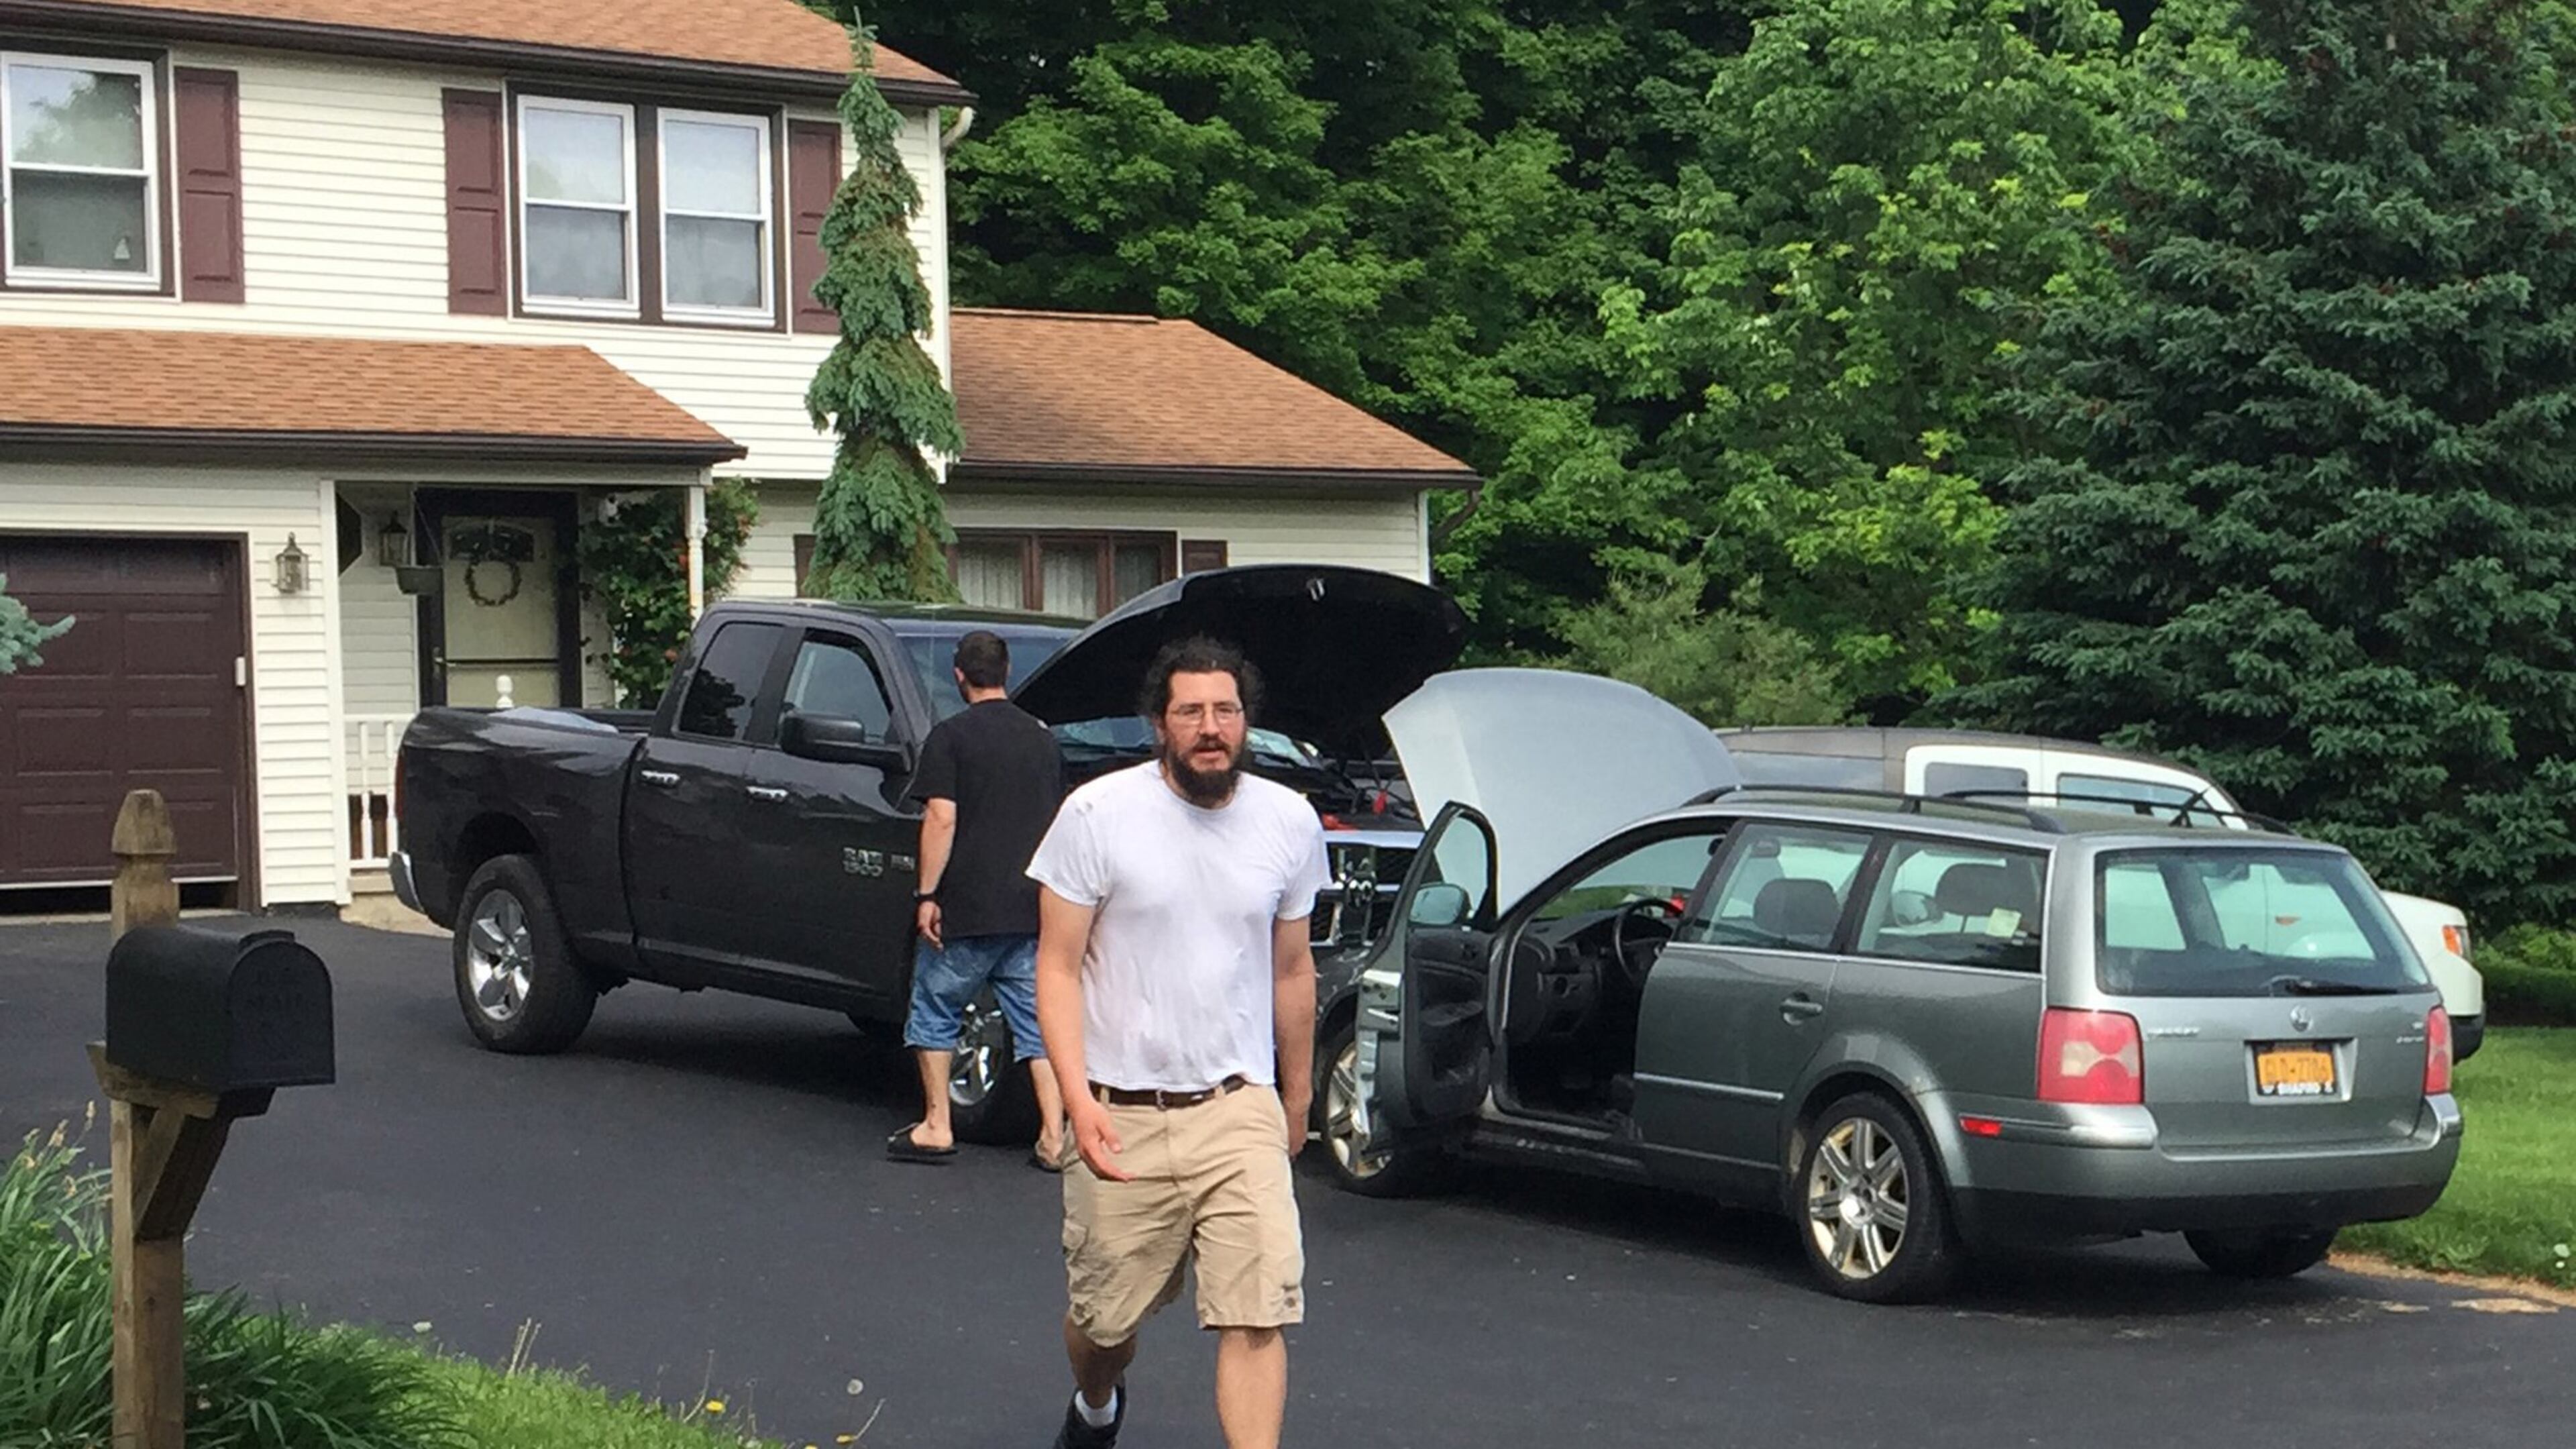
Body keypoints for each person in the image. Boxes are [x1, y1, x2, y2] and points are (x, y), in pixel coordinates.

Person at [1024, 635, 1328, 1449]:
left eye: (1225, 711)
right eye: (1190, 711)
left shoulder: (1288, 821)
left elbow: (1292, 971)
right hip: (1120, 1112)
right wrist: (1076, 1097)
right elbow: (1054, 968)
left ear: (1246, 724)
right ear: (1159, 724)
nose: (1209, 727)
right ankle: (1097, 1404)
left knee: (1257, 1311)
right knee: (1104, 1326)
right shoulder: (1098, 814)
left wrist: (1294, 1098)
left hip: (1237, 1108)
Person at [888, 629, 1067, 1169]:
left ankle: (938, 1124)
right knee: (1038, 1025)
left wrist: (927, 894)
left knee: (936, 1007)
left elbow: (941, 817)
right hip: (1032, 905)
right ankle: (1055, 1138)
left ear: (959, 675)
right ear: (1006, 672)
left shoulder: (950, 737)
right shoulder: (1043, 739)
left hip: (967, 907)